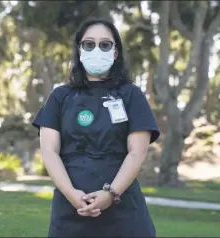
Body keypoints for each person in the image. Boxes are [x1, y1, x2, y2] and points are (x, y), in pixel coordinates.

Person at [32, 17, 160, 238]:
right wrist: (72, 194)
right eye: (89, 44)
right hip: (70, 213)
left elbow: (137, 152)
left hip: (124, 214)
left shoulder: (131, 95)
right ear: (79, 51)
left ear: (115, 52)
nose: (96, 49)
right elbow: (49, 151)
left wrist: (111, 194)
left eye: (105, 44)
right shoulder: (59, 97)